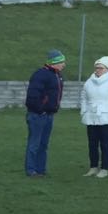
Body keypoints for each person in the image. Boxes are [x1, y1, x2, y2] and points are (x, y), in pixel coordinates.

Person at [24, 48, 66, 177]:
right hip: (38, 115)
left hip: (49, 114)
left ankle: (41, 169)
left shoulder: (57, 75)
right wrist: (40, 110)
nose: (64, 65)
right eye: (61, 62)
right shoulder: (40, 75)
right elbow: (32, 96)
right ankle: (31, 170)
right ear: (54, 62)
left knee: (43, 144)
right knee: (34, 143)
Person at [82, 55, 108, 178]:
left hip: (107, 118)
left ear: (107, 69)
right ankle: (93, 167)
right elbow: (84, 97)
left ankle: (104, 169)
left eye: (101, 68)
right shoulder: (89, 81)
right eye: (96, 68)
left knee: (104, 144)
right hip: (91, 117)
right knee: (92, 144)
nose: (98, 70)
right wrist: (84, 111)